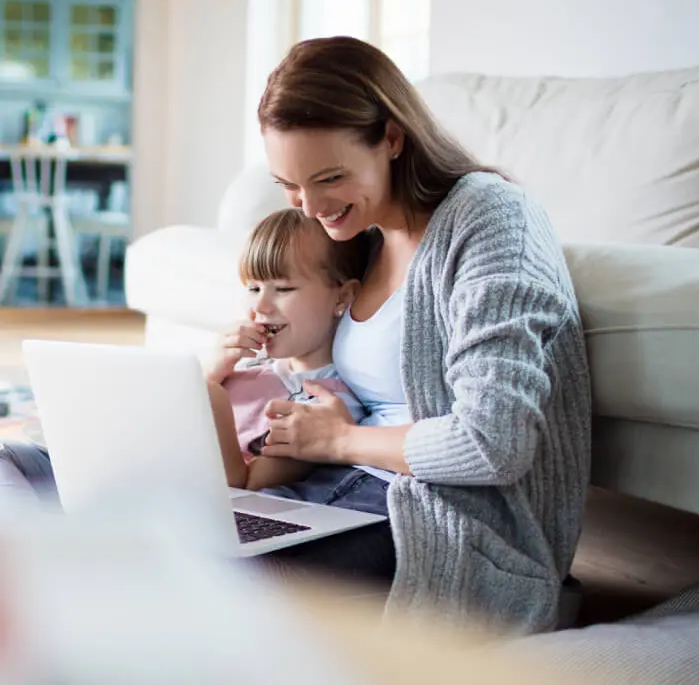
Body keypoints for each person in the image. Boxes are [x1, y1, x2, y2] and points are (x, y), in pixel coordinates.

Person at [223, 35, 593, 632]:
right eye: (289, 185)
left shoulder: (492, 220)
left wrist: (338, 443)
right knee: (160, 539)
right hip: (342, 490)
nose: (311, 206)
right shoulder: (360, 235)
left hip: (448, 520)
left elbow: (494, 441)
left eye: (329, 178)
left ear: (392, 138)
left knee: (222, 587)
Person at [205, 208, 368, 491]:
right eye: (254, 289)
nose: (259, 307)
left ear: (342, 297)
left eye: (282, 289)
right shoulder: (242, 369)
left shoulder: (332, 405)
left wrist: (207, 391)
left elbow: (248, 485)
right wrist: (209, 371)